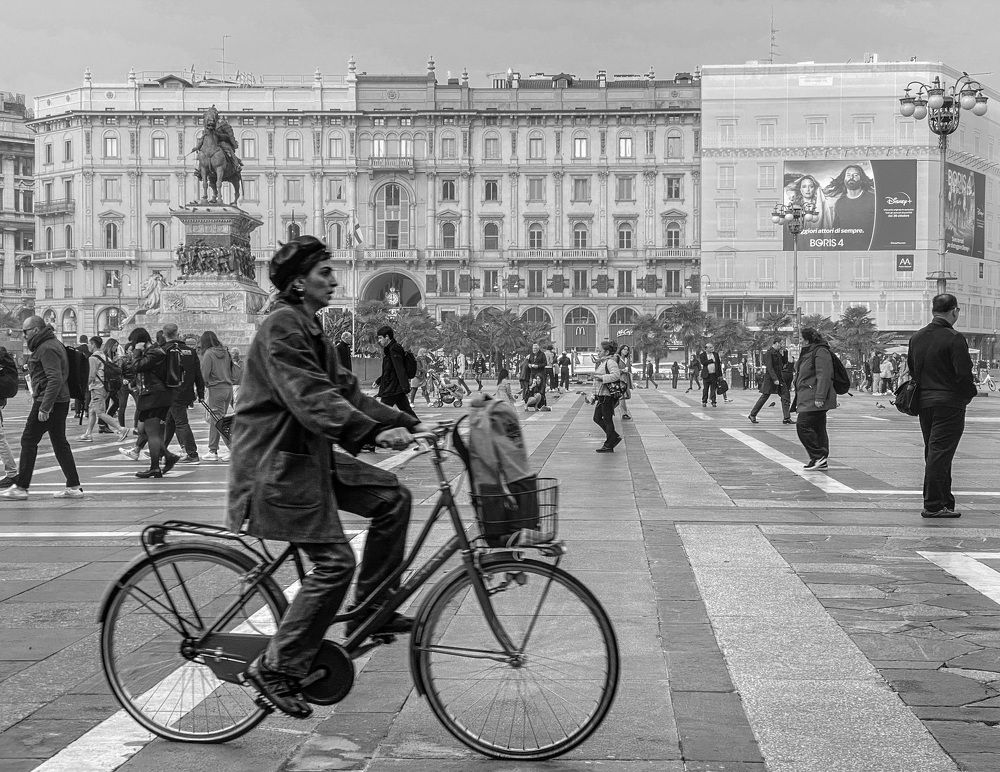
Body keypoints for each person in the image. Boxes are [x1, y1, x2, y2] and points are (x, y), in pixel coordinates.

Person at [232, 235, 431, 718]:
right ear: (299, 282)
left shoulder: (310, 328)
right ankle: (276, 667)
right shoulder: (281, 327)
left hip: (308, 457)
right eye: (324, 273)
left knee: (392, 496)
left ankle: (372, 608)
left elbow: (347, 392)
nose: (334, 279)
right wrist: (372, 435)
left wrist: (406, 422)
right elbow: (311, 400)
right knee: (336, 563)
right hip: (276, 466)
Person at [907, 294, 977, 518]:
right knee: (940, 452)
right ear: (954, 311)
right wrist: (968, 395)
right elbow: (964, 374)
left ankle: (944, 500)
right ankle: (934, 504)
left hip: (925, 402)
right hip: (949, 403)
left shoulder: (917, 337)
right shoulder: (954, 338)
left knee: (935, 451)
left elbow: (913, 369)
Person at [2, 316, 83, 500]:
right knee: (60, 444)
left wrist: (45, 407)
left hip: (50, 402)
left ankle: (21, 487)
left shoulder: (47, 348)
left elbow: (54, 378)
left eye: (26, 331)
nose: (24, 335)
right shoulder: (51, 344)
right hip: (58, 400)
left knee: (28, 441)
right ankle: (74, 486)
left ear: (36, 330)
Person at [122, 327, 180, 479]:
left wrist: (136, 352)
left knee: (152, 432)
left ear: (140, 341)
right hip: (155, 395)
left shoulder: (154, 352)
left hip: (154, 397)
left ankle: (157, 465)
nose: (133, 346)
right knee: (151, 432)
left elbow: (137, 366)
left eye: (134, 343)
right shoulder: (155, 351)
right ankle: (164, 459)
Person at [794, 327, 838, 471]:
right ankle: (821, 459)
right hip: (807, 395)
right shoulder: (809, 351)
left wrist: (820, 397)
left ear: (807, 338)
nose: (799, 340)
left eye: (801, 337)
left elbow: (824, 375)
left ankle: (818, 456)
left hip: (815, 397)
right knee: (818, 427)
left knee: (803, 425)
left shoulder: (820, 351)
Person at [161, 323, 204, 465]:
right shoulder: (190, 351)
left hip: (170, 393)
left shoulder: (164, 350)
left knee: (180, 422)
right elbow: (198, 374)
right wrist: (201, 393)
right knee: (170, 421)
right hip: (186, 392)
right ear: (177, 333)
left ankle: (192, 453)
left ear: (164, 334)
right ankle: (161, 450)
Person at [80, 336, 129, 442]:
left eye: (89, 343)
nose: (88, 346)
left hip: (97, 387)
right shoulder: (104, 356)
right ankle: (88, 433)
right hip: (105, 388)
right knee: (92, 410)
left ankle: (121, 429)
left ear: (93, 344)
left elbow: (91, 376)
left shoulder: (93, 358)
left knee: (100, 412)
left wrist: (83, 387)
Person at [200, 330, 235, 461]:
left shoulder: (209, 354)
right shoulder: (226, 352)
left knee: (217, 421)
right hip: (228, 388)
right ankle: (213, 449)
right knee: (218, 420)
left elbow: (204, 374)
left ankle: (230, 448)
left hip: (216, 388)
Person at [825, 164, 876, 249]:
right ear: (844, 179)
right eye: (848, 175)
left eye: (855, 175)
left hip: (868, 250)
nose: (851, 177)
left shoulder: (873, 200)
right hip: (845, 253)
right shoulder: (839, 203)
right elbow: (836, 233)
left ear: (861, 179)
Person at [374, 326, 418, 419]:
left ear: (387, 337)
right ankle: (418, 427)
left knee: (381, 413)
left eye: (380, 338)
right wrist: (379, 381)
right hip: (395, 388)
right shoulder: (390, 349)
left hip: (392, 388)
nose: (379, 341)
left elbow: (400, 369)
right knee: (407, 412)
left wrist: (405, 387)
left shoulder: (394, 348)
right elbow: (390, 370)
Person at [748, 339, 787, 424]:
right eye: (781, 343)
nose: (782, 345)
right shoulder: (769, 353)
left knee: (785, 395)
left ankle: (787, 417)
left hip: (779, 378)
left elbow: (784, 363)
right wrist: (775, 379)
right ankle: (752, 414)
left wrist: (784, 353)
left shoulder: (779, 352)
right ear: (776, 343)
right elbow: (769, 367)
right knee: (765, 396)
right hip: (771, 379)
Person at [592, 340, 622, 453]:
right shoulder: (603, 362)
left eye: (600, 351)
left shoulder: (610, 362)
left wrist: (601, 378)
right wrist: (593, 395)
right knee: (597, 418)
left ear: (606, 352)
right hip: (601, 395)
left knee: (607, 419)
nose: (598, 352)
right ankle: (613, 437)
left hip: (607, 396)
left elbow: (616, 375)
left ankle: (610, 443)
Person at [699, 343, 722, 408]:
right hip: (706, 375)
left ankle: (713, 401)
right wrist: (711, 361)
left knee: (713, 389)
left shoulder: (715, 354)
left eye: (712, 347)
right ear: (707, 348)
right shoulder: (702, 355)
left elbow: (718, 365)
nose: (712, 348)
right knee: (705, 389)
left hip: (714, 375)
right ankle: (704, 401)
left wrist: (720, 375)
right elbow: (703, 363)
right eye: (711, 347)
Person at [616, 344, 633, 420]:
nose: (626, 351)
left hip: (626, 380)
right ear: (621, 350)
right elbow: (613, 369)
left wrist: (632, 382)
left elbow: (629, 370)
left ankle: (608, 410)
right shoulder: (617, 358)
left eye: (627, 349)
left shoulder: (627, 359)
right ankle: (624, 413)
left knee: (627, 396)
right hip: (619, 380)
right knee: (622, 397)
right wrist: (622, 370)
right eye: (624, 349)